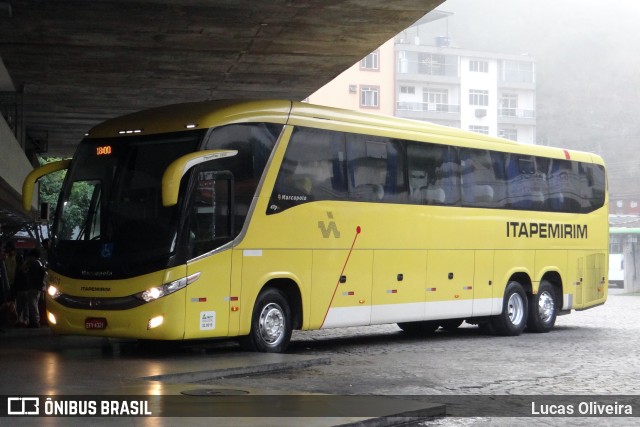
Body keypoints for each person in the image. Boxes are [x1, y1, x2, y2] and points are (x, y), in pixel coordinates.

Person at [20, 249, 46, 328]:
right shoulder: (39, 263)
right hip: (37, 287)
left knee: (33, 304)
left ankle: (35, 321)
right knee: (34, 303)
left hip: (33, 286)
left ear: (33, 256)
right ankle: (35, 320)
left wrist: (26, 262)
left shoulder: (34, 263)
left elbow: (23, 269)